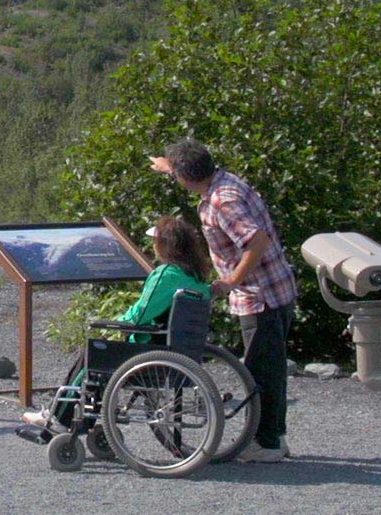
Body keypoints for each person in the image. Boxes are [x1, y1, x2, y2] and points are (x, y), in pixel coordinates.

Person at [150, 137, 298, 463]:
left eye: (176, 174)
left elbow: (255, 241)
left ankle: (268, 443)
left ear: (186, 177)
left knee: (263, 370)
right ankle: (274, 438)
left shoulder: (222, 202)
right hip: (274, 289)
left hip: (262, 296)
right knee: (268, 366)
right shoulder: (223, 180)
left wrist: (231, 281)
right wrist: (167, 166)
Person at [22, 215, 212, 429]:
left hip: (147, 351)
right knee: (99, 354)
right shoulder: (196, 279)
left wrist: (113, 323)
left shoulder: (166, 274)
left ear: (165, 245)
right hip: (179, 353)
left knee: (91, 356)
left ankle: (58, 419)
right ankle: (83, 421)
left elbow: (140, 315)